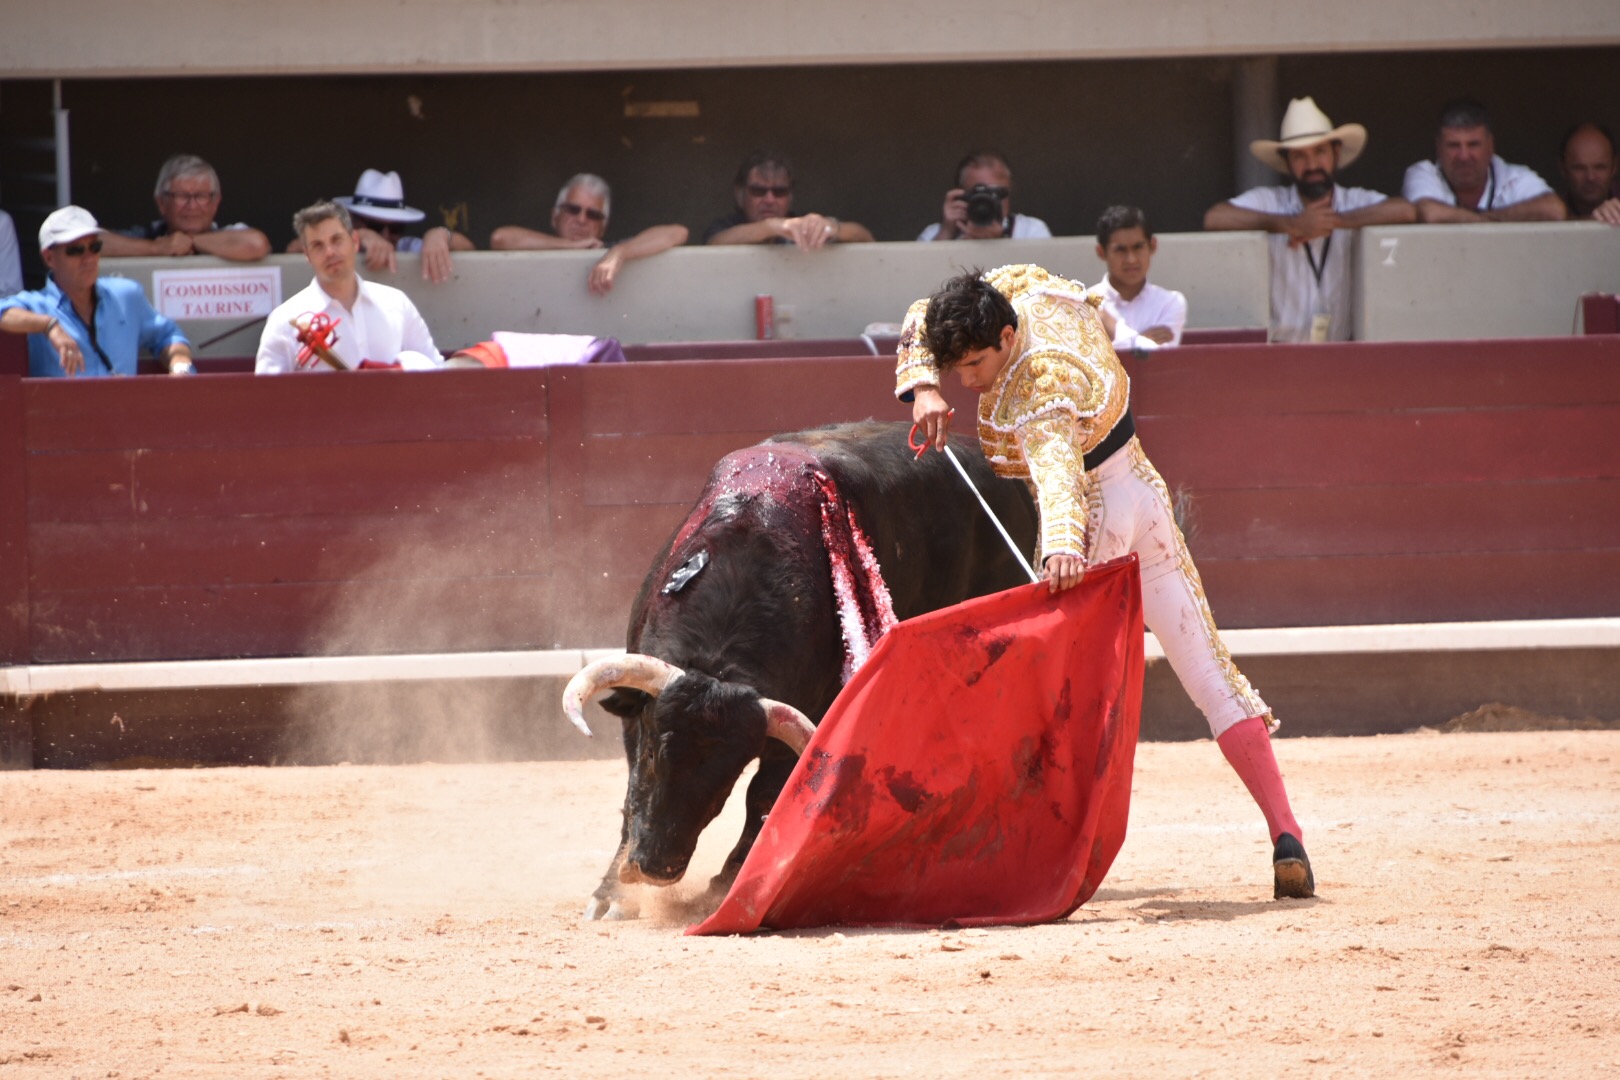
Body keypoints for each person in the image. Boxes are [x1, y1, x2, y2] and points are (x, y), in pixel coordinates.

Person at [899, 264, 1315, 900]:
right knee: (1210, 674)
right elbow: (924, 308)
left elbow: (1058, 467)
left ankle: (1038, 858)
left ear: (1007, 339)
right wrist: (923, 383)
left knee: (1058, 697)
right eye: (958, 369)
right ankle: (1287, 835)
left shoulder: (1038, 389)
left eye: (975, 365)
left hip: (1096, 515)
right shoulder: (1022, 289)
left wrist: (1064, 547)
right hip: (1146, 492)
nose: (967, 380)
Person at [1205, 96, 1415, 343]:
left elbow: (1405, 211)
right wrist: (1291, 224)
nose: (1312, 164)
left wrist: (1333, 221)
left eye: (1320, 151)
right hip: (1280, 356)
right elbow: (1215, 218)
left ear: (1336, 153)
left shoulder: (1354, 200)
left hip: (1342, 355)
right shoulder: (1271, 201)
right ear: (1287, 162)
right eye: (1299, 156)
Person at [0, 206, 193, 377]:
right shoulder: (37, 305)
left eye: (94, 247)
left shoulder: (125, 294)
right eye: (75, 250)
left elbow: (168, 334)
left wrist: (180, 366)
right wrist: (49, 325)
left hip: (125, 414)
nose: (88, 258)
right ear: (49, 258)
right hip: (64, 416)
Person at [256, 201, 441, 374]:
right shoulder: (284, 320)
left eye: (337, 240)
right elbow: (267, 396)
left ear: (355, 241)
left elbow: (435, 370)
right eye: (318, 245)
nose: (330, 252)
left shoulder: (396, 303)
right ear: (307, 255)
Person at [489, 173, 689, 294]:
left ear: (603, 227)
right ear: (554, 216)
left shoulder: (607, 251)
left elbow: (677, 232)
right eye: (573, 210)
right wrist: (570, 246)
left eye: (593, 214)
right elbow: (501, 238)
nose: (582, 219)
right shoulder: (540, 244)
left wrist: (619, 253)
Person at [286, 169, 473, 285]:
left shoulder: (405, 246)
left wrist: (440, 234)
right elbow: (294, 248)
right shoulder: (335, 247)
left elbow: (469, 248)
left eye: (396, 228)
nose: (386, 235)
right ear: (353, 219)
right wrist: (358, 235)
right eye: (375, 226)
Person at [1403, 99, 1566, 223]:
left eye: (1473, 145)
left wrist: (1482, 219)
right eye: (1453, 145)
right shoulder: (1424, 173)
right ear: (1438, 147)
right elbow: (1429, 213)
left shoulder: (1513, 177)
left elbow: (1554, 209)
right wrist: (1492, 223)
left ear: (1490, 146)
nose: (1464, 156)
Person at [98, 154, 272, 262]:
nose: (192, 205)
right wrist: (156, 248)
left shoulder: (230, 233)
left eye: (201, 196)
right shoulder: (148, 235)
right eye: (182, 196)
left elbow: (256, 244)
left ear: (216, 202)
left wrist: (191, 241)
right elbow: (92, 242)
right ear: (161, 203)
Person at [703, 149, 874, 249]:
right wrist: (770, 227)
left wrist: (831, 226)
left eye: (779, 191)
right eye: (758, 191)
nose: (769, 200)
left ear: (790, 196)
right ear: (740, 195)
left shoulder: (802, 225)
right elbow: (714, 243)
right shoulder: (726, 225)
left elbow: (866, 239)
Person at [1088, 205, 1185, 353]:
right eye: (1120, 250)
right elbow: (1090, 363)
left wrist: (1112, 328)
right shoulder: (1085, 304)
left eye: (1138, 247)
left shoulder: (1171, 302)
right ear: (1102, 252)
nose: (1131, 259)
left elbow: (1161, 361)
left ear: (1152, 246)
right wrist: (1142, 341)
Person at [917, 150, 1052, 242]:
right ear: (959, 195)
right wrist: (947, 233)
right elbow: (917, 276)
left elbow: (1043, 280)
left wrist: (999, 243)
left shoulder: (1030, 231)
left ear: (1009, 192)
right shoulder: (935, 234)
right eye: (978, 193)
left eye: (995, 193)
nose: (986, 201)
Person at [1558, 122, 1620, 226]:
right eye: (1579, 168)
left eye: (1600, 167)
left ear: (1614, 167)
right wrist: (1592, 220)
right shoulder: (1550, 213)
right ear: (1563, 169)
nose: (1590, 177)